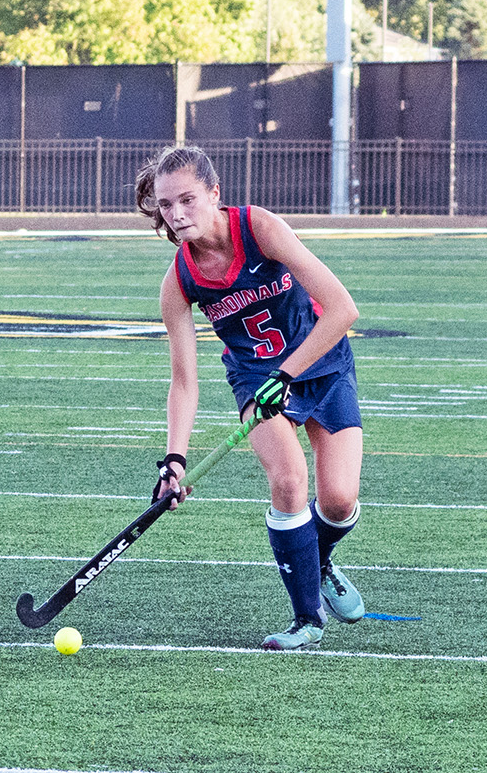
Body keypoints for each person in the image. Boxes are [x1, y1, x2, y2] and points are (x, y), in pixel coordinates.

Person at [135, 144, 366, 651]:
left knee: (339, 499)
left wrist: (287, 372)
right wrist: (173, 461)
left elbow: (343, 310)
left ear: (215, 194)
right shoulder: (180, 280)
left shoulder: (259, 228)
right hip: (255, 381)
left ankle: (317, 559)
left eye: (187, 200)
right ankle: (306, 619)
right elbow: (184, 380)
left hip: (322, 363)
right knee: (288, 481)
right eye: (166, 205)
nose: (176, 215)